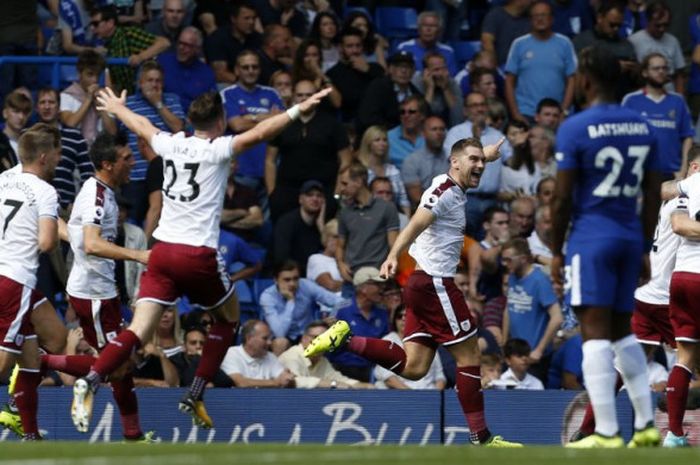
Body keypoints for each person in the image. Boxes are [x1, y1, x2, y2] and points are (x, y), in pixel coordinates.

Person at [69, 83, 331, 431]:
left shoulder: (172, 142)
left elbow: (143, 127)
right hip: (198, 255)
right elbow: (260, 132)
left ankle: (91, 377)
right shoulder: (218, 148)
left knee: (138, 329)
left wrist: (118, 109)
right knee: (229, 319)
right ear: (220, 121)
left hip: (161, 252)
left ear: (190, 121)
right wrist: (299, 109)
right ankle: (195, 392)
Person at [305, 137, 522, 447]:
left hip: (420, 286)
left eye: (480, 161)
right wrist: (393, 254)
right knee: (470, 354)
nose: (479, 165)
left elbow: (471, 159)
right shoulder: (443, 193)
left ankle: (345, 339)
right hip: (436, 283)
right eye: (472, 160)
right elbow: (416, 223)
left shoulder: (451, 180)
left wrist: (486, 154)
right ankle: (481, 438)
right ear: (454, 163)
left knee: (415, 367)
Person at [550, 46, 663, 448]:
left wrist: (556, 249)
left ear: (586, 79)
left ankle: (607, 432)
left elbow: (561, 199)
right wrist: (647, 246)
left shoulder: (575, 127)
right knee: (622, 333)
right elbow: (653, 194)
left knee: (593, 334)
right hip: (630, 236)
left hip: (591, 239)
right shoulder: (644, 126)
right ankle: (647, 426)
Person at [0, 123, 62, 441]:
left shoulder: (3, 180)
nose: (59, 158)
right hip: (14, 278)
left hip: (8, 275)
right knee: (2, 364)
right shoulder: (45, 191)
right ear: (42, 156)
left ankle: (29, 431)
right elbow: (48, 242)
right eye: (56, 152)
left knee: (51, 339)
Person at [622, 53, 693, 179]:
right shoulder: (631, 100)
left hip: (673, 173)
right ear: (644, 72)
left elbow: (687, 136)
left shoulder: (678, 101)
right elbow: (622, 137)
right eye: (656, 68)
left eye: (664, 68)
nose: (661, 72)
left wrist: (683, 170)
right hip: (639, 173)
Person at [501, 238, 563, 383]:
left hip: (533, 356)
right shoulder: (512, 277)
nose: (504, 264)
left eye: (508, 260)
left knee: (531, 402)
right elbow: (508, 308)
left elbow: (557, 317)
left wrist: (539, 350)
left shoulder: (539, 280)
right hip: (514, 353)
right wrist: (504, 342)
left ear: (523, 259)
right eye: (503, 260)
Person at [504, 1, 577, 123]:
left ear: (552, 18)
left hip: (555, 115)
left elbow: (572, 80)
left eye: (544, 15)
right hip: (526, 113)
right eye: (536, 16)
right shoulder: (519, 44)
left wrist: (564, 111)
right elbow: (509, 81)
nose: (540, 19)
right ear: (530, 20)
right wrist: (516, 114)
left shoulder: (565, 43)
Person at [260, 260, 344, 355]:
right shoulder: (268, 297)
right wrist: (290, 301)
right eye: (287, 280)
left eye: (295, 279)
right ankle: (279, 370)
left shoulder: (306, 285)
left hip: (307, 334)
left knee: (328, 332)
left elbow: (338, 301)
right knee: (280, 342)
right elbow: (280, 333)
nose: (292, 283)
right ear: (276, 280)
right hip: (285, 338)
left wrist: (333, 316)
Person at [88, 5, 170, 94]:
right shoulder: (99, 43)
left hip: (140, 94)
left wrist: (140, 57)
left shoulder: (128, 34)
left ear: (110, 23)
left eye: (96, 24)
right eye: (91, 24)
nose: (92, 28)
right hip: (121, 94)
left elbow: (164, 43)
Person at [35, 87, 94, 210]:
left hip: (65, 208)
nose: (47, 107)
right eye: (42, 102)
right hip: (33, 206)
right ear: (37, 107)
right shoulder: (27, 135)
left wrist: (81, 204)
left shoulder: (75, 136)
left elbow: (88, 173)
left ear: (59, 107)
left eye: (51, 102)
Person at [279, 321, 373, 389]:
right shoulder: (292, 357)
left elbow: (341, 380)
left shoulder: (322, 361)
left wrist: (366, 386)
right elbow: (294, 382)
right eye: (315, 337)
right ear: (303, 339)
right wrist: (332, 384)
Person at [374, 305, 447, 390]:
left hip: (430, 394)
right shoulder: (387, 341)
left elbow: (439, 376)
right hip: (403, 396)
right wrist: (412, 397)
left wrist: (436, 396)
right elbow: (388, 378)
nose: (403, 319)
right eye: (399, 316)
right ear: (394, 320)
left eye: (408, 316)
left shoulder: (427, 340)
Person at [326, 26, 384, 123]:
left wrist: (367, 70)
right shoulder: (333, 74)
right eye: (350, 46)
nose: (355, 50)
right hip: (351, 124)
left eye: (358, 45)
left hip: (377, 122)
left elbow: (385, 89)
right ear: (340, 48)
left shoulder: (374, 68)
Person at [219, 319, 296, 388]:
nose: (269, 343)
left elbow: (283, 380)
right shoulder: (231, 354)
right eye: (265, 338)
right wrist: (275, 382)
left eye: (270, 338)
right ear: (249, 338)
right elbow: (240, 383)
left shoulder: (271, 357)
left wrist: (288, 380)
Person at [157, 27, 217, 113]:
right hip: (161, 114)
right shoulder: (162, 61)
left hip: (192, 120)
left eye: (187, 45)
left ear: (198, 49)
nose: (181, 47)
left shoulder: (206, 73)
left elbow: (210, 106)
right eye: (180, 43)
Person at [271, 179, 325, 275]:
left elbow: (332, 252)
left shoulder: (322, 224)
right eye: (310, 195)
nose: (315, 199)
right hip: (287, 275)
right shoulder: (286, 222)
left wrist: (321, 226)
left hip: (313, 275)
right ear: (300, 199)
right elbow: (281, 258)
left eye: (319, 196)